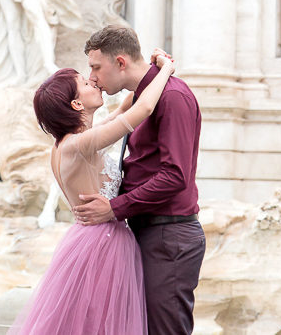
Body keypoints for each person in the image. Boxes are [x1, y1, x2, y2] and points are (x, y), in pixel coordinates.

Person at [9, 47, 175, 334]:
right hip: (103, 243)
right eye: (85, 84)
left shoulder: (71, 143)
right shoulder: (76, 145)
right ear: (75, 104)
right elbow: (142, 110)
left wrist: (139, 75)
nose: (93, 81)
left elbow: (124, 110)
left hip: (90, 239)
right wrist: (166, 70)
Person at [73, 25, 205, 335]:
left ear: (120, 62)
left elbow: (175, 176)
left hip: (168, 236)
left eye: (95, 67)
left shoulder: (171, 96)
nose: (92, 77)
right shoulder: (146, 96)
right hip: (150, 232)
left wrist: (114, 208)